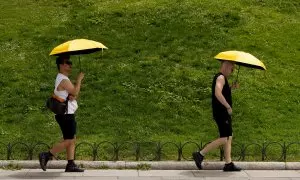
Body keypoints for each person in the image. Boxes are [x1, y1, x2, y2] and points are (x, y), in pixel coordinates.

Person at [192, 60, 241, 172]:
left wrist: (231, 88)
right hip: (221, 112)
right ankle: (200, 154)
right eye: (231, 69)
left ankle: (228, 164)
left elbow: (222, 92)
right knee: (224, 138)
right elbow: (217, 93)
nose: (232, 71)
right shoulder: (220, 77)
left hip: (222, 112)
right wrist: (228, 106)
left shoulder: (222, 78)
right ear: (226, 66)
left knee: (229, 136)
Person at [39, 55, 85, 172]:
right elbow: (75, 91)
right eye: (67, 62)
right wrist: (79, 80)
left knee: (71, 139)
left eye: (70, 63)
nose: (70, 65)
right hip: (66, 115)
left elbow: (74, 94)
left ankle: (70, 164)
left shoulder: (63, 78)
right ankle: (47, 155)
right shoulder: (63, 79)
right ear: (61, 65)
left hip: (66, 114)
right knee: (69, 140)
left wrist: (72, 95)